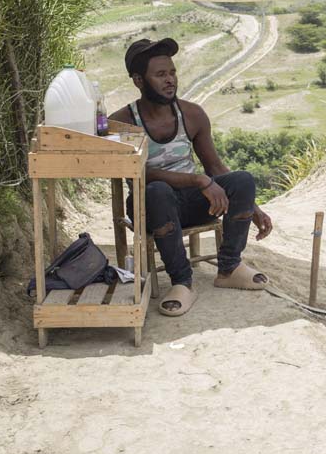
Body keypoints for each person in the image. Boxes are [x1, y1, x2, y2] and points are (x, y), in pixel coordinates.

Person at [109, 38, 274, 317]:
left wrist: (252, 207)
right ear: (139, 80)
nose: (170, 80)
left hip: (192, 205)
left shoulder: (192, 114)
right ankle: (181, 282)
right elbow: (139, 173)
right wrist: (198, 181)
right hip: (151, 207)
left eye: (172, 72)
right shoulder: (122, 123)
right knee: (157, 190)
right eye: (160, 75)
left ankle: (229, 268)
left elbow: (215, 167)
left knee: (242, 179)